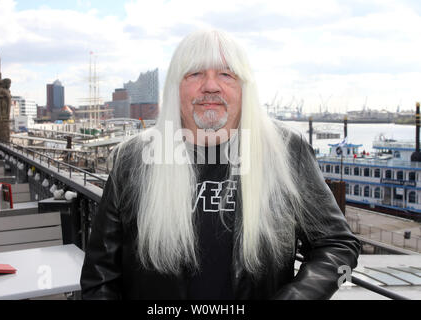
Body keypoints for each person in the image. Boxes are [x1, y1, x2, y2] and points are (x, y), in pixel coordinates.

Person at [80, 29, 361, 300]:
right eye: (195, 73)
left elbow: (339, 245)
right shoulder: (132, 159)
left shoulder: (287, 151)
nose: (211, 86)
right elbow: (100, 275)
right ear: (176, 88)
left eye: (226, 74)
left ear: (243, 87)